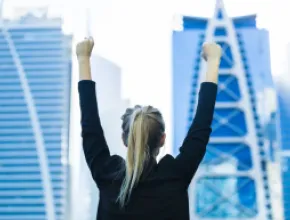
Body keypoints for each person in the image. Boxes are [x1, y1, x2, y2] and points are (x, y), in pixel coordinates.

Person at [77, 37, 221, 220]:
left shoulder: (108, 175)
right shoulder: (175, 176)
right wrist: (214, 61)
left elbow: (90, 126)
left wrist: (83, 58)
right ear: (163, 139)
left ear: (124, 139)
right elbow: (202, 124)